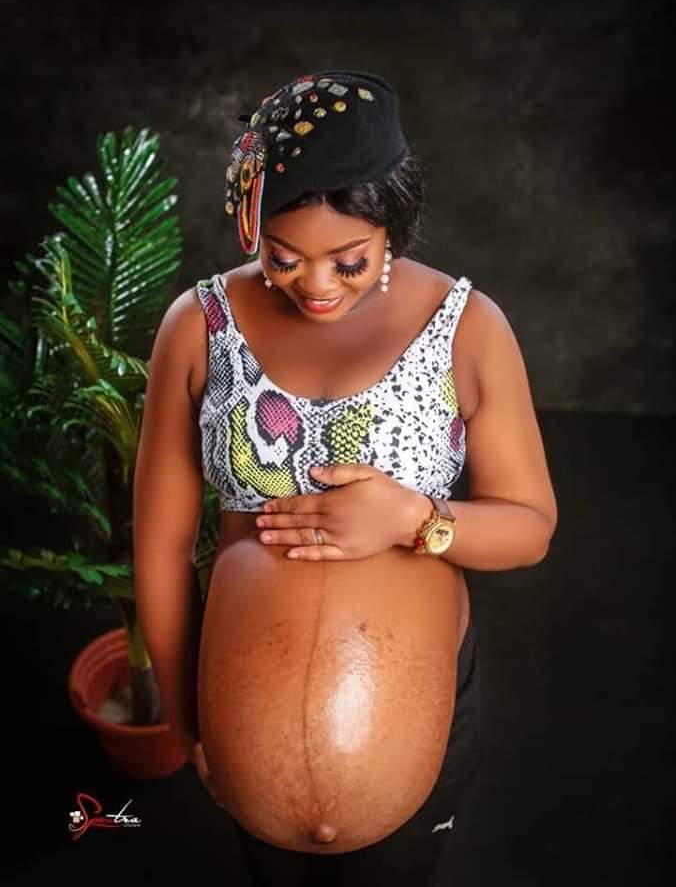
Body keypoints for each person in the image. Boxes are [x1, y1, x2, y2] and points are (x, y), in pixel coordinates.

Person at [133, 69, 558, 886]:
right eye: (284, 259)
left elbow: (531, 528)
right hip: (242, 745)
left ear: (392, 226)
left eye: (349, 261)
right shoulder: (199, 326)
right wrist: (187, 719)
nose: (317, 287)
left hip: (416, 746)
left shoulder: (467, 327)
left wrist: (413, 519)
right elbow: (159, 545)